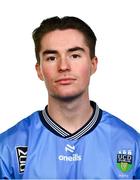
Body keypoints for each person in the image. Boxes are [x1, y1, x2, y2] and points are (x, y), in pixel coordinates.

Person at [0, 16, 140, 179]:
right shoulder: (8, 148)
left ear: (93, 64)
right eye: (52, 58)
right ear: (39, 70)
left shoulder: (131, 144)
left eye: (74, 56)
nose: (64, 66)